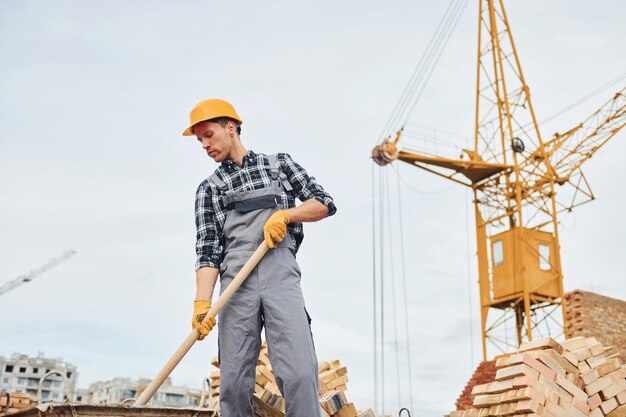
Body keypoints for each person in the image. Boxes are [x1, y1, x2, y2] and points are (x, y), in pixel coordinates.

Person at [183, 98, 336, 417]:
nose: (205, 145)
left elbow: (323, 203)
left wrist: (287, 215)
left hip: (281, 279)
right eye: (200, 140)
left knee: (299, 375)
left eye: (208, 135)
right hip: (236, 289)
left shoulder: (279, 164)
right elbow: (208, 250)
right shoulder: (209, 189)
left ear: (231, 127)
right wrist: (202, 304)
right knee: (234, 383)